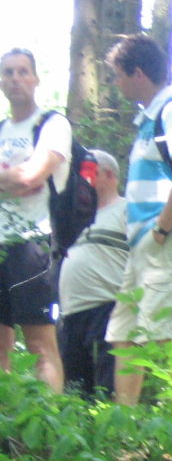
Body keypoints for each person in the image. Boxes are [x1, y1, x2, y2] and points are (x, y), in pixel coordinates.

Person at [104, 34, 172, 406]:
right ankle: (124, 423)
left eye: (119, 75)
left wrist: (161, 228)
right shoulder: (148, 120)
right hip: (143, 245)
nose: (117, 83)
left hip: (164, 238)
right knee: (124, 333)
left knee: (167, 333)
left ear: (139, 74)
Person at [0, 47, 69, 392]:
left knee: (40, 343)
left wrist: (21, 177)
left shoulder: (52, 125)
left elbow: (32, 177)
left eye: (23, 71)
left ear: (36, 79)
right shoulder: (0, 129)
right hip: (0, 246)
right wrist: (15, 179)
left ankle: (49, 418)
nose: (16, 79)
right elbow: (23, 179)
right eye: (8, 72)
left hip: (34, 244)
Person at [58, 149, 127, 399]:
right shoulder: (75, 216)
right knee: (73, 391)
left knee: (107, 390)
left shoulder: (128, 210)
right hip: (69, 313)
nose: (83, 179)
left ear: (109, 175)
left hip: (107, 308)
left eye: (90, 172)